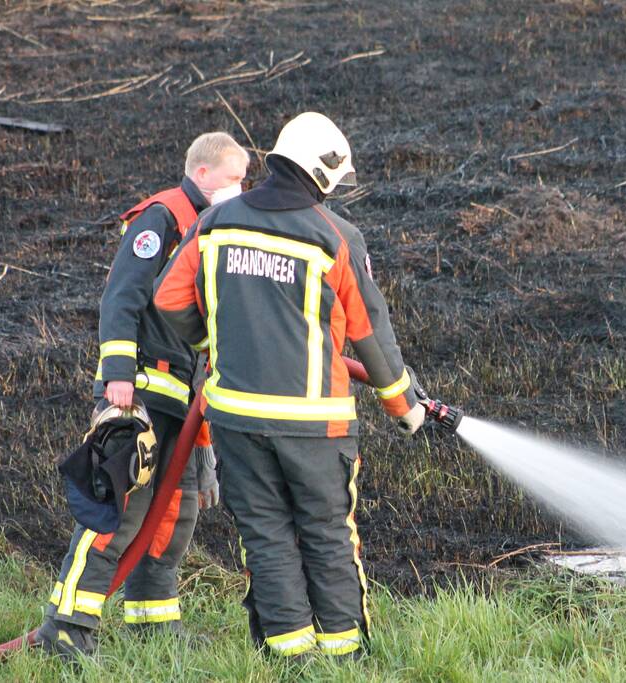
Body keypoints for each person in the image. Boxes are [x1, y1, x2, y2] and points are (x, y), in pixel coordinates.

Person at [153, 112, 426, 661]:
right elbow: (371, 334)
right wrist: (405, 407)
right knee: (327, 534)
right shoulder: (336, 236)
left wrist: (212, 346)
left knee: (266, 534)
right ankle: (345, 656)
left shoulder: (217, 222)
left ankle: (290, 658)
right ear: (322, 173)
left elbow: (168, 299)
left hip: (235, 418)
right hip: (315, 425)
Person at [37, 132, 250, 658]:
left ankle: (154, 620)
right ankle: (67, 625)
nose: (241, 190)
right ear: (201, 174)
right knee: (121, 511)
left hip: (183, 400)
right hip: (141, 392)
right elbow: (122, 298)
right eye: (233, 180)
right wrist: (118, 377)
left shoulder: (216, 228)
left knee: (174, 513)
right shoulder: (162, 220)